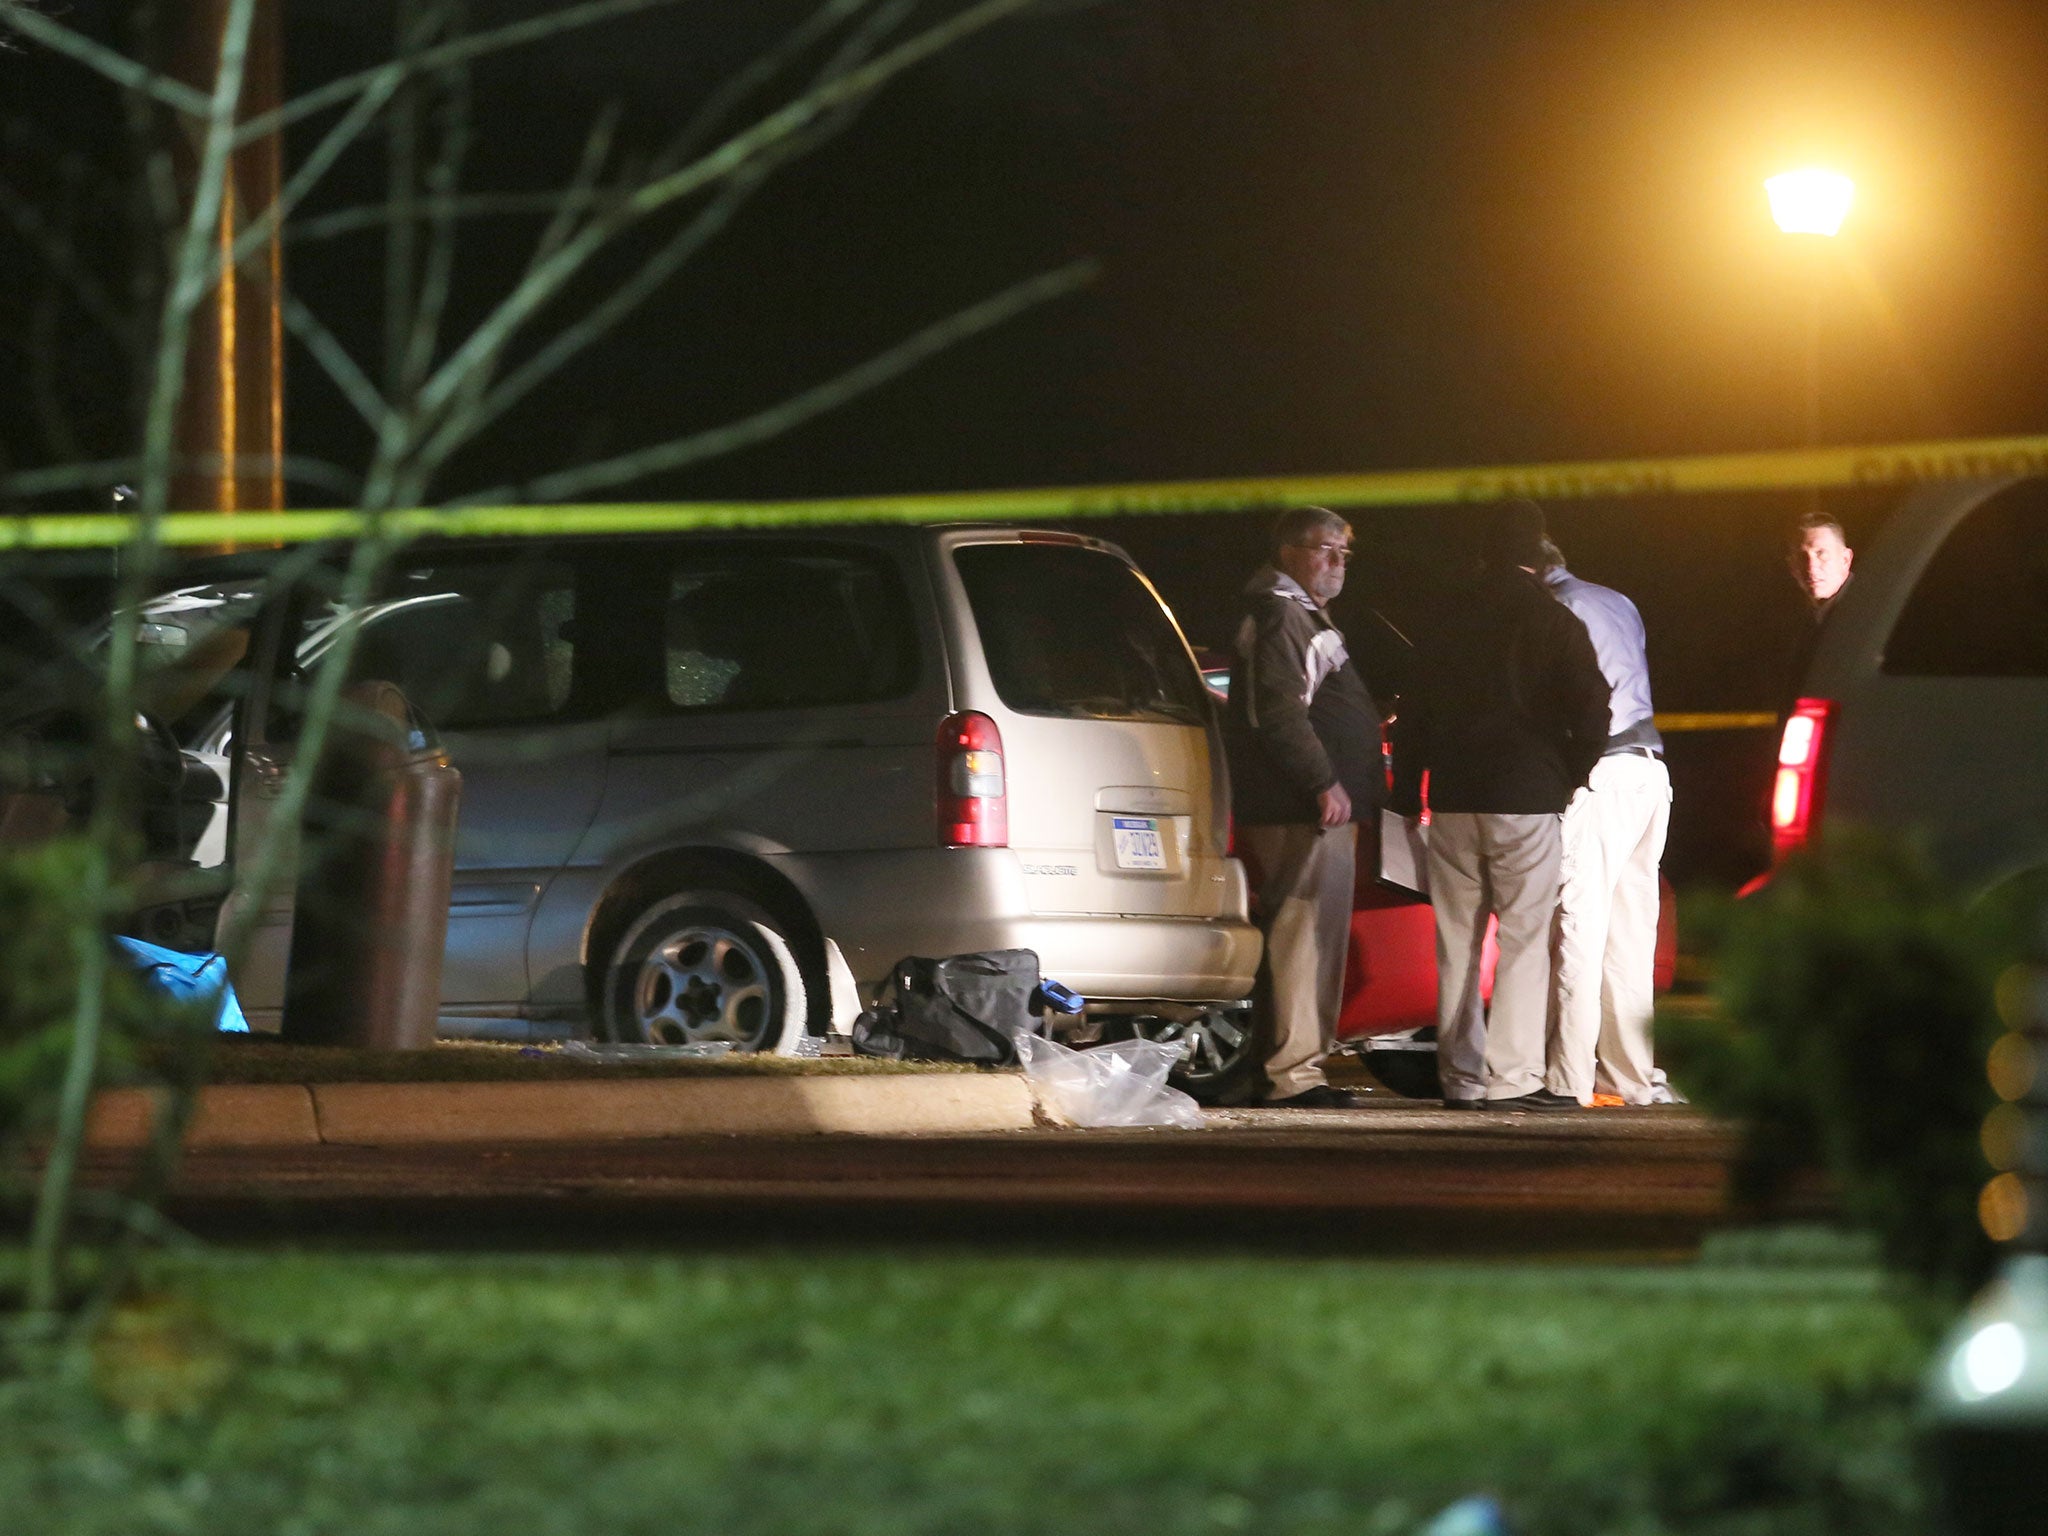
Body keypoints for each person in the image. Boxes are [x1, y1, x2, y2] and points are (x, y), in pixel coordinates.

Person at [1389, 501, 1609, 1112]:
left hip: (1456, 799)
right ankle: (1513, 1077)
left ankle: (1460, 1079)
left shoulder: (1445, 620)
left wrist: (1408, 792)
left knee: (1455, 942)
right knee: (1525, 938)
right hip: (1528, 799)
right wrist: (1570, 774)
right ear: (1536, 554)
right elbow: (1595, 710)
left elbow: (1413, 717)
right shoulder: (1554, 620)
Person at [1223, 506, 1386, 1109]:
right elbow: (1280, 711)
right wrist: (1324, 781)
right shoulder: (1283, 615)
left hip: (1307, 806)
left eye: (1346, 552)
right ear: (1289, 551)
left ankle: (1286, 1067)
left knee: (1301, 936)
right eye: (1326, 549)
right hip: (1302, 809)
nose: (1338, 562)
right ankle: (1293, 1074)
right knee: (1303, 937)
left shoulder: (1295, 615)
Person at [1537, 537, 1672, 1106]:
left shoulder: (1554, 613)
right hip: (1650, 773)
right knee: (1630, 940)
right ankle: (1634, 1078)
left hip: (1601, 776)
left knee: (1579, 929)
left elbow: (1566, 702)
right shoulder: (1617, 600)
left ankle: (1568, 1078)